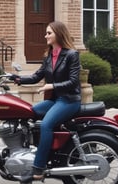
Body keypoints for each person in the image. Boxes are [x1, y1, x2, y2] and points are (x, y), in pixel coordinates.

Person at [10, 21, 81, 181]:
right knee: (30, 113)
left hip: (69, 100)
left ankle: (38, 168)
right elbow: (36, 76)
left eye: (49, 33)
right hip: (56, 101)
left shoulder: (71, 54)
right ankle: (33, 151)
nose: (45, 36)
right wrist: (18, 79)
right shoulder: (49, 56)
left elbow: (73, 81)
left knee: (47, 124)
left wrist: (51, 86)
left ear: (58, 34)